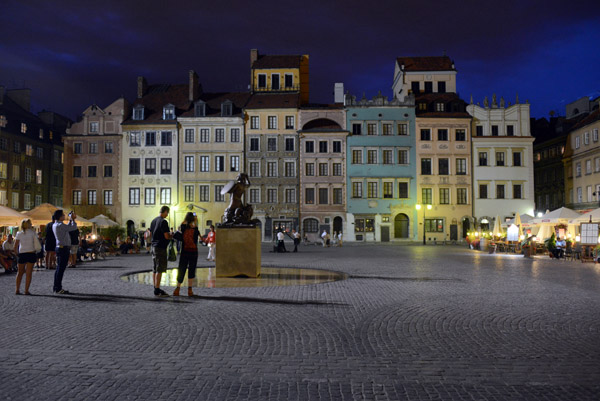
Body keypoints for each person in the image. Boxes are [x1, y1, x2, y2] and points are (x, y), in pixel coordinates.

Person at [52, 210, 79, 294]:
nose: (64, 216)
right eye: (63, 215)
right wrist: (73, 219)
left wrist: (70, 220)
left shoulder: (56, 224)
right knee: (61, 269)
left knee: (59, 269)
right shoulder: (60, 225)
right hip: (63, 248)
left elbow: (67, 227)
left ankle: (56, 287)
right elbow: (73, 228)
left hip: (60, 247)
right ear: (60, 217)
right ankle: (58, 288)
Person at [174, 212, 200, 297]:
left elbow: (179, 236)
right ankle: (190, 290)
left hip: (184, 251)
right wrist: (195, 222)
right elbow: (196, 238)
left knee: (182, 268)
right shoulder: (195, 228)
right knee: (191, 269)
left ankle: (177, 289)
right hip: (193, 251)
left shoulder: (183, 226)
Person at [150, 206, 172, 297]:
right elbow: (166, 236)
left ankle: (155, 287)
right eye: (168, 213)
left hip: (153, 246)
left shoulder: (153, 221)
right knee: (160, 268)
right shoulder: (163, 222)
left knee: (155, 268)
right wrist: (172, 235)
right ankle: (157, 289)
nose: (168, 214)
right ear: (165, 211)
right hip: (161, 247)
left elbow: (151, 234)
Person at [14, 219, 39, 295]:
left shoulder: (19, 233)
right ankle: (26, 290)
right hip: (31, 253)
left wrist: (16, 253)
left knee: (20, 273)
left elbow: (15, 246)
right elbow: (36, 243)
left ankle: (17, 289)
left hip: (22, 254)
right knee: (28, 273)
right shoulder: (33, 233)